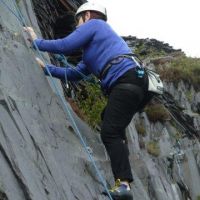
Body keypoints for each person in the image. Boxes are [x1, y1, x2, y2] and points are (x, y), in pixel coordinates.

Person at [24, 2, 151, 199]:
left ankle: (123, 185)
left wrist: (35, 41)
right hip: (134, 83)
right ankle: (122, 172)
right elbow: (75, 73)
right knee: (109, 121)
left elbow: (65, 46)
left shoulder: (97, 25)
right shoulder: (92, 52)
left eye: (78, 21)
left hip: (126, 80)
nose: (76, 26)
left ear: (88, 15)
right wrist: (47, 69)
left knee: (109, 132)